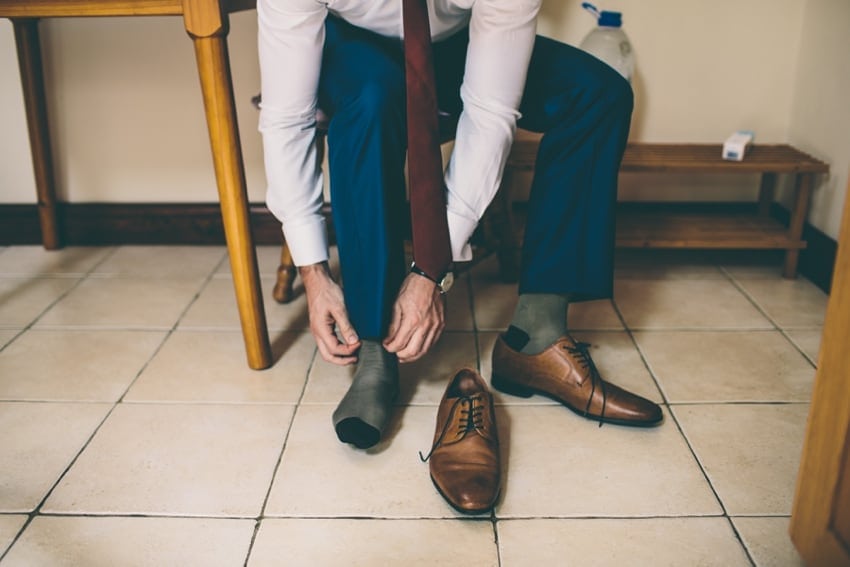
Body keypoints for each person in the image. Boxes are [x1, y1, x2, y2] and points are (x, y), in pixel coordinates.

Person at [257, 0, 662, 455]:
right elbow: (286, 117)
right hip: (353, 47)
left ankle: (536, 335)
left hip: (451, 43)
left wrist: (431, 267)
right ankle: (374, 346)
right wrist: (314, 270)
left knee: (597, 92)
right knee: (371, 97)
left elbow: (489, 112)